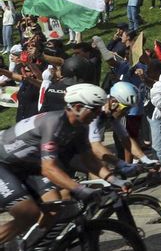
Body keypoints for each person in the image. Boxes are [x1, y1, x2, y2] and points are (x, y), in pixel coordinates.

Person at [0, 84, 118, 244]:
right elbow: (49, 168)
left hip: (26, 166)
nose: (98, 114)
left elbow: (89, 159)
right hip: (4, 164)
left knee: (55, 207)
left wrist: (113, 179)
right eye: (95, 109)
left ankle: (34, 246)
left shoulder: (79, 127)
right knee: (28, 213)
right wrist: (80, 189)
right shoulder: (53, 122)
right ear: (77, 107)